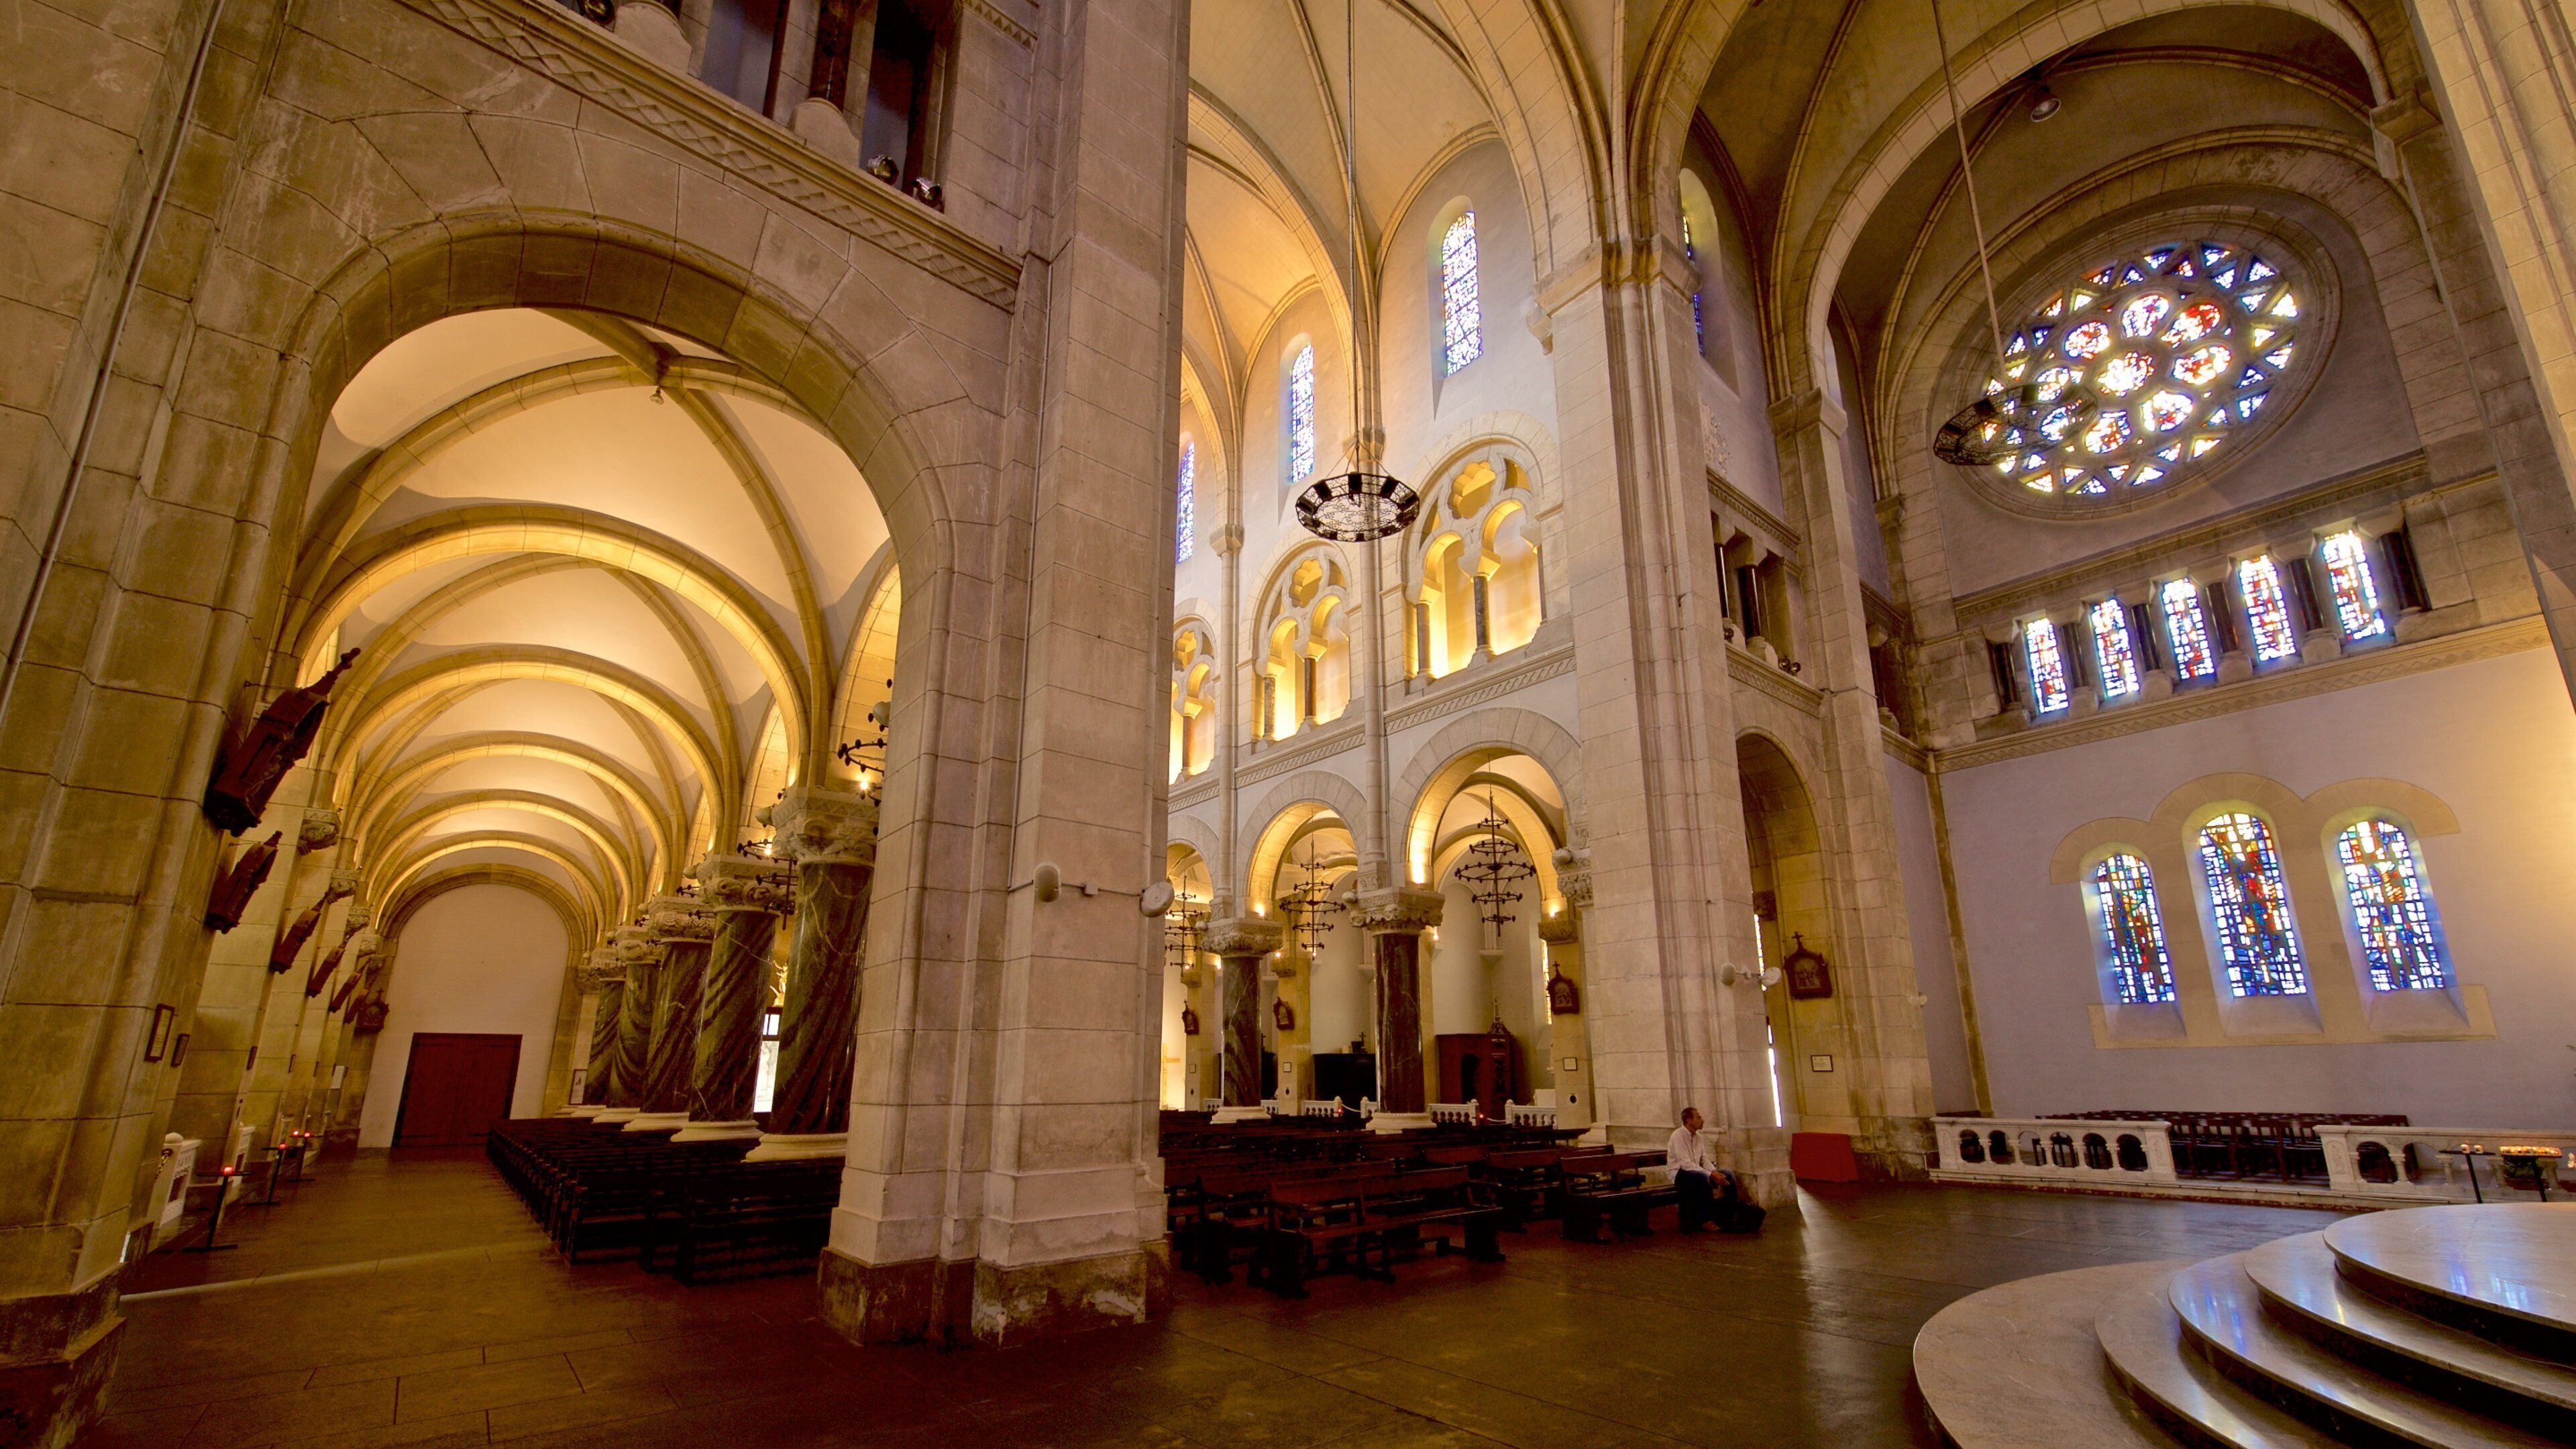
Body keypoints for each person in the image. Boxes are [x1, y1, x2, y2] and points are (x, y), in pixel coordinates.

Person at [1668, 1107, 1719, 1232]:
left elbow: (1704, 1160)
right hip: (1679, 1174)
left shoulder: (1698, 1137)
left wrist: (1714, 1172)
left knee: (1729, 1175)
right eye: (1699, 1117)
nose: (1702, 1120)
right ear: (1689, 1120)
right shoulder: (1678, 1135)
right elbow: (1685, 1164)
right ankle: (1705, 1220)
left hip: (1695, 1172)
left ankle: (1729, 1214)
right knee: (1703, 1178)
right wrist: (1710, 1175)